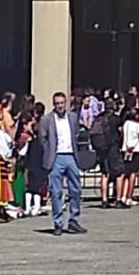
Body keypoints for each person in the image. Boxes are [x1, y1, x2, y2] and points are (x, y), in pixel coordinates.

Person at [38, 91, 86, 235]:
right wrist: (49, 152)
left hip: (70, 155)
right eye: (57, 103)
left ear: (66, 104)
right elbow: (42, 138)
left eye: (62, 103)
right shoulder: (47, 119)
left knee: (76, 189)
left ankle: (74, 221)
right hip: (56, 157)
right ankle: (58, 223)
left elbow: (76, 133)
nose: (59, 106)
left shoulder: (72, 117)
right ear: (53, 104)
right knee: (57, 192)